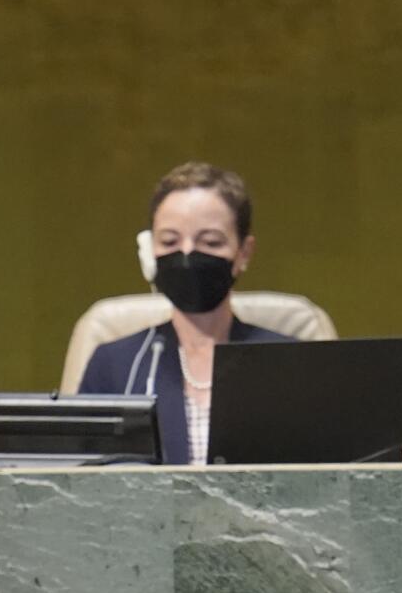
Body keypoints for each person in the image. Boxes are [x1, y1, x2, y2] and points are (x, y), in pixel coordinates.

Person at [77, 162, 294, 465]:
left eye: (210, 242)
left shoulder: (289, 363)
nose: (188, 254)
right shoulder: (113, 365)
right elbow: (81, 486)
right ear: (149, 250)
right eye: (169, 241)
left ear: (244, 252)